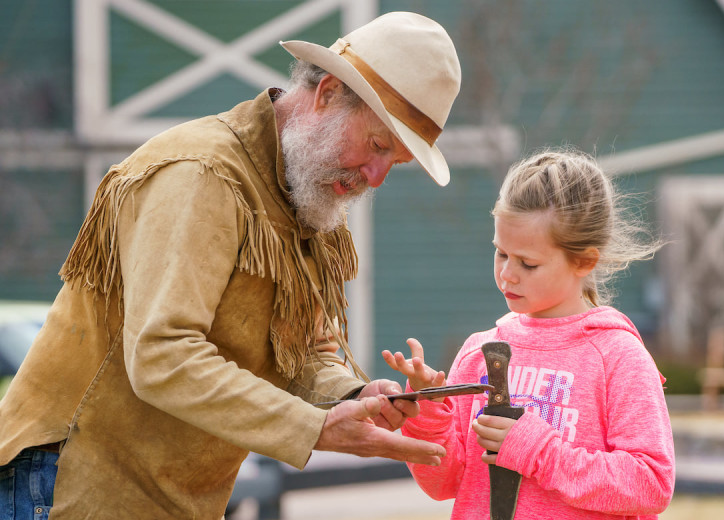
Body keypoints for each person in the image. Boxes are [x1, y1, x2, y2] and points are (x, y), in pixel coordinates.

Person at [0, 11, 461, 519]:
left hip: (160, 498)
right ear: (327, 93)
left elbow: (304, 352)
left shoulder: (305, 193)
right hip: (66, 483)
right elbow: (162, 356)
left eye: (393, 163)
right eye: (377, 146)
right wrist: (316, 429)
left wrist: (356, 397)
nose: (375, 178)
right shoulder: (200, 175)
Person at [384, 149, 676, 519]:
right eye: (501, 254)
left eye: (528, 263)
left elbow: (650, 484)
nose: (507, 274)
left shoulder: (618, 355)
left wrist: (538, 450)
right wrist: (426, 412)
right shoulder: (480, 351)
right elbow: (443, 483)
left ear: (585, 260)